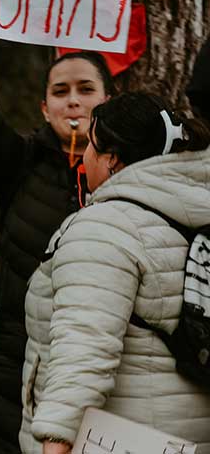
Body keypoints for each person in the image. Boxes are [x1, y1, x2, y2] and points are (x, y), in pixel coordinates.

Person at [0, 0, 115, 453]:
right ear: (44, 107)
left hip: (101, 381)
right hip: (13, 378)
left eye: (86, 89)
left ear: (109, 98)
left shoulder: (137, 179)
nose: (73, 101)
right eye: (60, 92)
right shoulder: (18, 167)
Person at [19, 92, 210, 453]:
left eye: (91, 146)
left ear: (112, 159)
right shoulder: (198, 216)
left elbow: (83, 349)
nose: (84, 156)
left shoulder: (105, 229)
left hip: (118, 440)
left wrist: (55, 443)